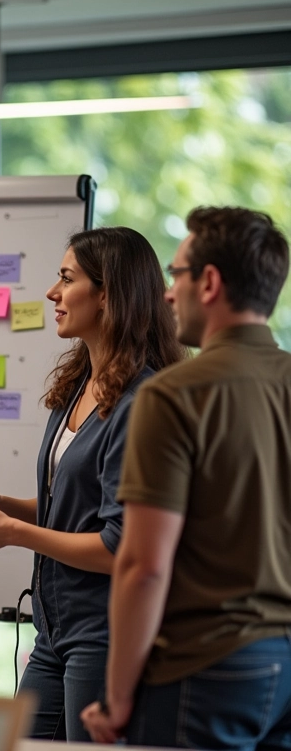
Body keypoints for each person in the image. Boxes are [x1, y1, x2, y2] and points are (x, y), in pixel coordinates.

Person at [0, 226, 184, 741]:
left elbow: (119, 547)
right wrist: (3, 504)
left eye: (66, 278)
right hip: (54, 633)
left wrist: (9, 530)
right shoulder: (79, 384)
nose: (52, 293)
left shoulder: (141, 402)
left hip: (105, 634)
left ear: (107, 294)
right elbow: (76, 507)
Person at [82, 207, 291, 749]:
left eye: (177, 275)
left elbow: (143, 565)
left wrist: (118, 697)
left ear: (211, 282)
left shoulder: (174, 394)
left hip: (206, 665)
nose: (169, 294)